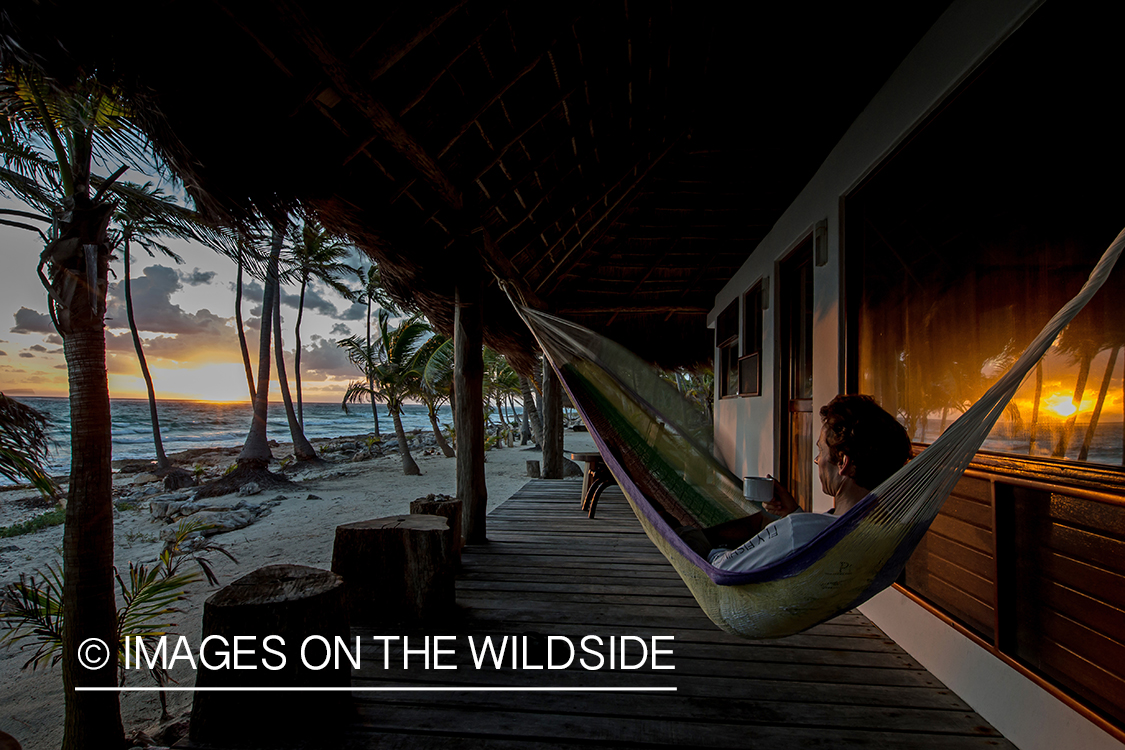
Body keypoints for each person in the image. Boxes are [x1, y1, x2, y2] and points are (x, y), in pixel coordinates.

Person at [683, 394, 911, 571]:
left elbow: (723, 568)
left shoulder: (796, 532)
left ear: (842, 461)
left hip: (718, 562)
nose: (817, 460)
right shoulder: (882, 534)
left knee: (686, 534)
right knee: (766, 517)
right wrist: (794, 512)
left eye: (820, 451)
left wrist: (713, 552)